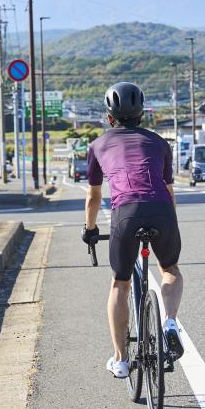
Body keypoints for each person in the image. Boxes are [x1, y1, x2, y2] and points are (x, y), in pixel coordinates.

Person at [82, 81, 184, 379]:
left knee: (120, 283)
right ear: (142, 114)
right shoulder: (159, 143)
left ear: (109, 117)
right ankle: (170, 322)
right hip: (162, 211)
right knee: (170, 269)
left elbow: (93, 196)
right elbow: (169, 191)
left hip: (126, 213)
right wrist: (171, 223)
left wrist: (90, 229)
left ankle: (121, 360)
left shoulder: (98, 145)